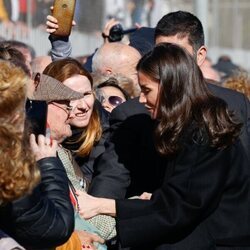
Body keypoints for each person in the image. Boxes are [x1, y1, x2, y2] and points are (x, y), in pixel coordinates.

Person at [77, 43, 250, 250]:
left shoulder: (204, 132)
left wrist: (102, 206)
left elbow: (180, 207)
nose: (141, 99)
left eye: (147, 90)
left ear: (170, 87)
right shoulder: (190, 125)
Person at [88, 10, 250, 199]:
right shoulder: (131, 114)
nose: (167, 63)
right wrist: (98, 218)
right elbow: (111, 179)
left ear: (200, 55)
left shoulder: (233, 105)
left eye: (177, 54)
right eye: (160, 53)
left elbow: (242, 178)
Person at [0, 60, 75, 249]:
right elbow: (57, 228)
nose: (72, 111)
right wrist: (48, 163)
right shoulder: (7, 168)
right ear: (16, 117)